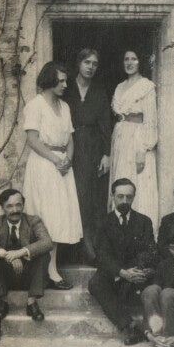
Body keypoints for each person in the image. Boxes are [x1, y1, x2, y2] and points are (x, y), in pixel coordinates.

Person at [22, 61, 83, 289]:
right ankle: (46, 271)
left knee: (58, 219)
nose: (65, 85)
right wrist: (56, 160)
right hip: (44, 165)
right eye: (61, 81)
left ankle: (51, 269)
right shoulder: (35, 105)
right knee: (45, 217)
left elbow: (70, 139)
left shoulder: (65, 107)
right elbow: (32, 140)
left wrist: (68, 160)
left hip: (63, 168)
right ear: (49, 81)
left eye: (66, 81)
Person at [89, 178, 157, 345]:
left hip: (137, 274)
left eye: (129, 197)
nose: (125, 201)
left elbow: (149, 250)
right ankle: (130, 326)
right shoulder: (103, 222)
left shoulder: (144, 221)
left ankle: (155, 330)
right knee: (96, 283)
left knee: (155, 282)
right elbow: (102, 255)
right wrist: (123, 273)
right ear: (112, 196)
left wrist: (138, 271)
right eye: (120, 196)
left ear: (134, 197)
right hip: (116, 274)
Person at [64, 48, 111, 264]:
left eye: (95, 64)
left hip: (93, 148)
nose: (91, 67)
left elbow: (105, 124)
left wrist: (106, 154)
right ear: (79, 63)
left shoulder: (100, 91)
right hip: (70, 145)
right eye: (87, 62)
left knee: (93, 198)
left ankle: (91, 248)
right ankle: (72, 249)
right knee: (73, 196)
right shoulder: (66, 88)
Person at [0, 189, 52, 321]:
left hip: (29, 276)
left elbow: (47, 242)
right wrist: (6, 255)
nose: (15, 210)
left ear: (23, 205)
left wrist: (20, 252)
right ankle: (3, 301)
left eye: (18, 205)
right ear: (2, 208)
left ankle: (32, 302)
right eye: (9, 206)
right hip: (4, 278)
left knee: (44, 255)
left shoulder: (34, 221)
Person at [109, 50, 158, 235]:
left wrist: (142, 149)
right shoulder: (120, 87)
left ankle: (140, 234)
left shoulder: (146, 86)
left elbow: (151, 120)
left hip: (138, 140)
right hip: (120, 139)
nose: (129, 62)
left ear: (140, 62)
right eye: (126, 59)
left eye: (134, 59)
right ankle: (119, 232)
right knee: (120, 181)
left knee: (139, 184)